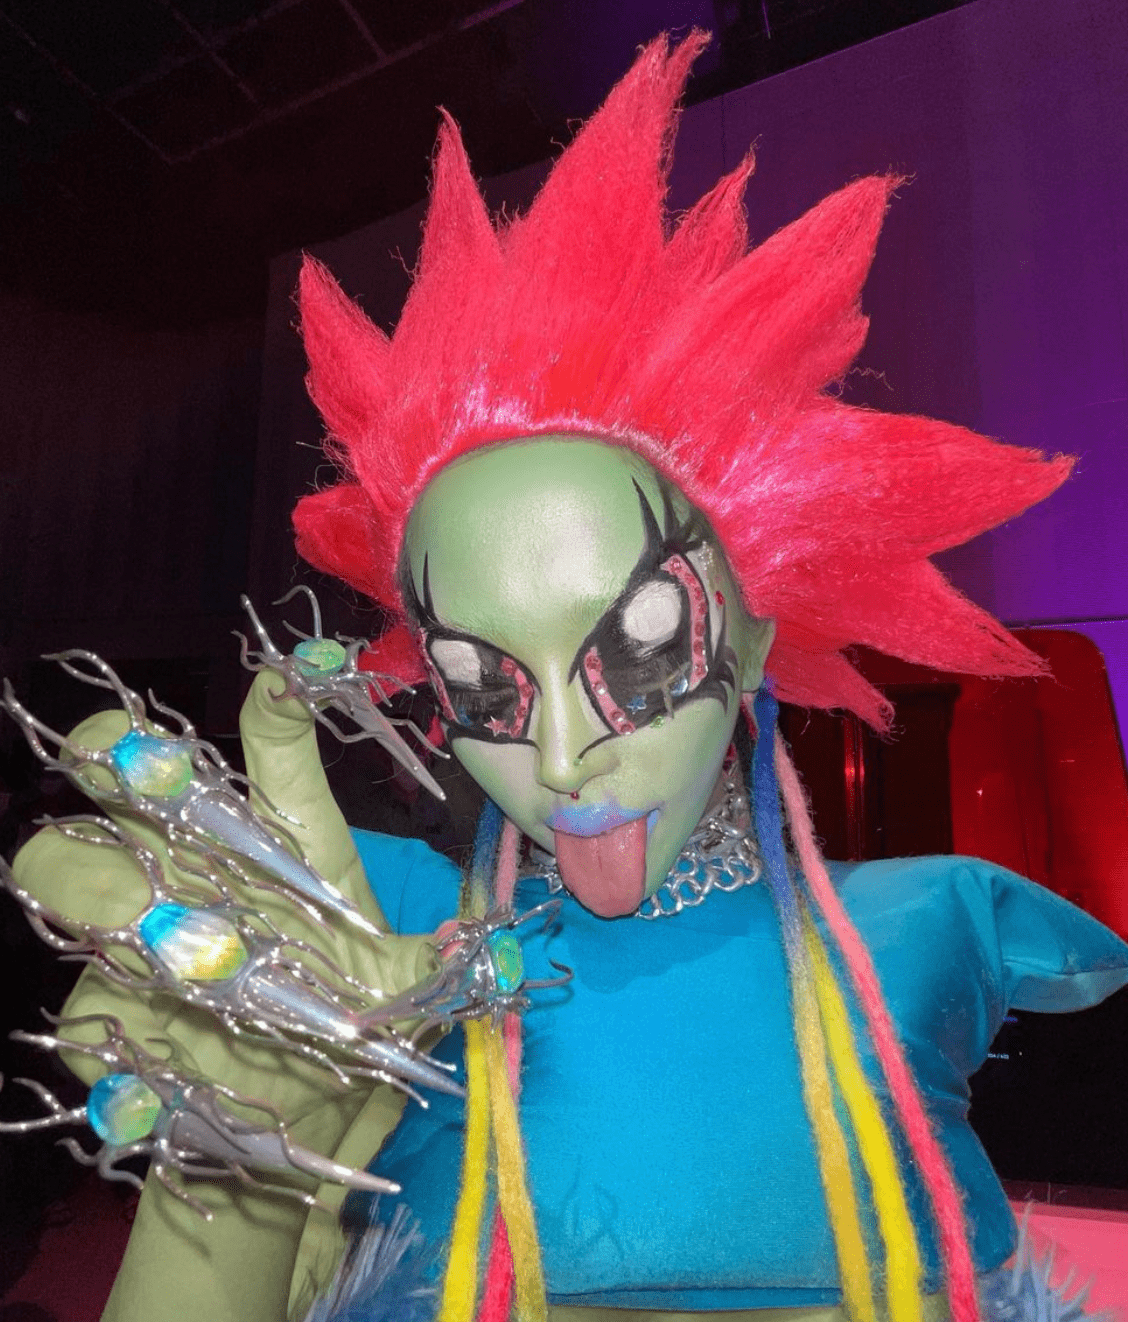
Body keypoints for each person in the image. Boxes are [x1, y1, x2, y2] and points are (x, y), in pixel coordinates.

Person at [9, 31, 1128, 1322]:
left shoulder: (933, 920)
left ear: (753, 638)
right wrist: (233, 1175)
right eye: (484, 686)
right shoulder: (391, 929)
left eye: (642, 647)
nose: (556, 757)